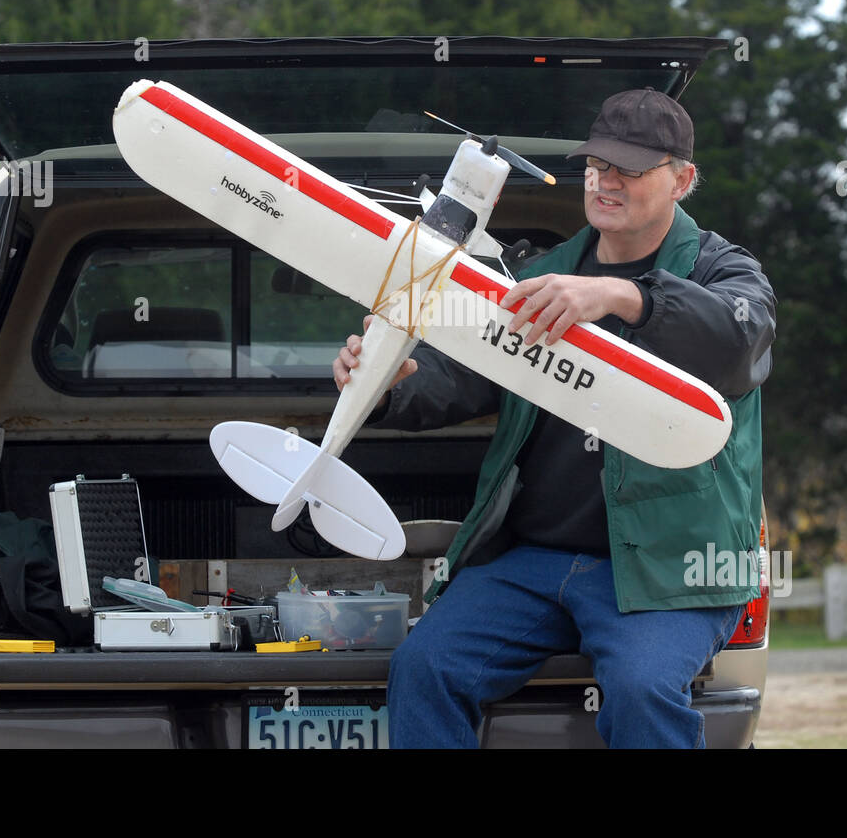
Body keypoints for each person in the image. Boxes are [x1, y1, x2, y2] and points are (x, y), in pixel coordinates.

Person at [332, 87, 776, 748]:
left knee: (641, 689)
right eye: (598, 164)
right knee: (424, 666)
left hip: (668, 566)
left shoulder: (724, 271)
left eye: (630, 167)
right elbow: (467, 377)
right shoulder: (544, 274)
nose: (605, 180)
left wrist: (623, 296)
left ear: (682, 180)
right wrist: (392, 381)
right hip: (537, 561)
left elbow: (740, 340)